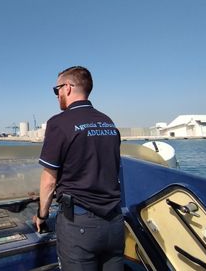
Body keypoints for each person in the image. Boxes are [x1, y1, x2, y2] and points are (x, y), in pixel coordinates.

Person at [33, 66, 124, 270]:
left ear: (67, 87)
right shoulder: (107, 122)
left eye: (56, 90)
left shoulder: (59, 123)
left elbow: (49, 181)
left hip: (80, 225)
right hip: (114, 222)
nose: (57, 96)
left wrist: (42, 215)